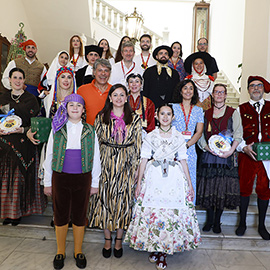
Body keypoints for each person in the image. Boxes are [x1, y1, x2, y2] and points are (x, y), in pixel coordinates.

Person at [124, 104, 201, 270]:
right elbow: (143, 160)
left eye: (168, 114)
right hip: (154, 178)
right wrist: (138, 183)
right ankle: (155, 247)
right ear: (157, 117)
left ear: (173, 117)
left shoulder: (179, 137)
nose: (165, 117)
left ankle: (162, 253)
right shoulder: (150, 136)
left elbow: (183, 160)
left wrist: (189, 184)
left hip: (173, 179)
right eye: (162, 114)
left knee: (168, 215)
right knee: (155, 214)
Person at [43, 93, 101, 269]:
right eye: (71, 105)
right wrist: (47, 182)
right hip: (60, 177)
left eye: (79, 106)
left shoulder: (90, 130)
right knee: (60, 214)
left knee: (79, 213)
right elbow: (50, 155)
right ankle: (60, 251)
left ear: (83, 110)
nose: (75, 108)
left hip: (83, 178)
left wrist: (95, 183)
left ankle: (78, 250)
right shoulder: (57, 129)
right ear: (65, 109)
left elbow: (96, 158)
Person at [88, 84, 142, 259]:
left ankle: (119, 239)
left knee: (123, 202)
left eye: (122, 95)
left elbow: (138, 145)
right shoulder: (101, 117)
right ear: (110, 98)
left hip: (126, 163)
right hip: (105, 162)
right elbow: (95, 143)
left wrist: (135, 168)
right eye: (115, 95)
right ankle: (107, 239)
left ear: (126, 98)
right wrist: (94, 167)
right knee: (105, 200)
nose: (118, 98)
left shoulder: (134, 118)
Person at [0, 67, 46, 226]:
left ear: (24, 81)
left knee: (18, 179)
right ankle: (7, 213)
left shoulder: (31, 99)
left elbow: (37, 124)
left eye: (21, 78)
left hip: (24, 142)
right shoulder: (3, 97)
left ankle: (17, 212)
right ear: (10, 80)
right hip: (4, 144)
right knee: (6, 179)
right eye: (15, 78)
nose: (18, 81)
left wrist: (24, 130)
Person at [196, 83, 243, 234]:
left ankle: (217, 221)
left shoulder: (233, 112)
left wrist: (230, 151)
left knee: (221, 189)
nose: (219, 95)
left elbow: (238, 133)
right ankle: (209, 220)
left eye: (222, 92)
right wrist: (207, 148)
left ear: (226, 95)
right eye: (216, 92)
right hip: (209, 155)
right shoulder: (205, 113)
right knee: (209, 188)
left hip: (225, 155)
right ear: (212, 94)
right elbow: (200, 134)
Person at [235, 76, 270, 240]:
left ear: (263, 89)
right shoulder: (240, 109)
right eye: (252, 86)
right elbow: (236, 133)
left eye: (259, 86)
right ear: (248, 90)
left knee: (264, 190)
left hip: (268, 157)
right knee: (245, 188)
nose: (256, 89)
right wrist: (243, 147)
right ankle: (242, 223)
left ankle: (262, 225)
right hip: (247, 154)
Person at [172, 79, 204, 200]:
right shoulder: (173, 107)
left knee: (189, 178)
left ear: (194, 92)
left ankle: (189, 210)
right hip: (173, 148)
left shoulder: (198, 110)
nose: (188, 91)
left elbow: (199, 132)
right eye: (185, 88)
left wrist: (186, 145)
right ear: (180, 91)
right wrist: (177, 146)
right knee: (174, 179)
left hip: (189, 150)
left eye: (191, 88)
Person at [77, 59, 112, 125]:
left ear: (109, 73)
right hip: (89, 133)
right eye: (100, 70)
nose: (103, 73)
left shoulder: (114, 91)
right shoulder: (82, 90)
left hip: (109, 133)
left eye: (106, 70)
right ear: (94, 72)